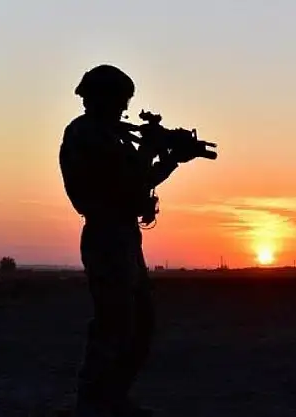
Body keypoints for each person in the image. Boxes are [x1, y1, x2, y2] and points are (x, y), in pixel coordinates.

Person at [58, 64, 194, 417]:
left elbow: (139, 182)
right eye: (120, 100)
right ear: (98, 97)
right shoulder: (86, 134)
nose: (124, 108)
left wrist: (171, 159)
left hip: (123, 233)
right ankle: (93, 403)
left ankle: (113, 399)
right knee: (114, 321)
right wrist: (151, 149)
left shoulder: (111, 134)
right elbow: (124, 178)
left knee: (138, 323)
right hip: (106, 233)